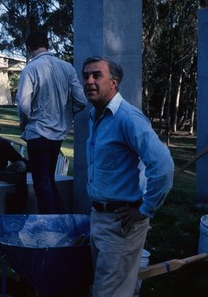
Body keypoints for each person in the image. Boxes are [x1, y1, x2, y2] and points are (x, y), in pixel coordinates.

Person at [82, 56, 174, 296]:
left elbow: (163, 166)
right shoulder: (96, 117)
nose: (89, 81)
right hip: (100, 218)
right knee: (117, 289)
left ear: (114, 83)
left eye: (96, 75)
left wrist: (145, 209)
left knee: (108, 292)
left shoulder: (128, 118)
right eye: (86, 76)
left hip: (121, 223)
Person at [16, 30, 87, 214]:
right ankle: (61, 219)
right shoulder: (67, 68)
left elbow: (24, 105)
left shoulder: (31, 69)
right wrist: (65, 114)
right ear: (47, 44)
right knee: (49, 179)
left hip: (37, 132)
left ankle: (50, 225)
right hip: (57, 134)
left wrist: (25, 123)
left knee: (41, 183)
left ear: (29, 47)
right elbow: (81, 100)